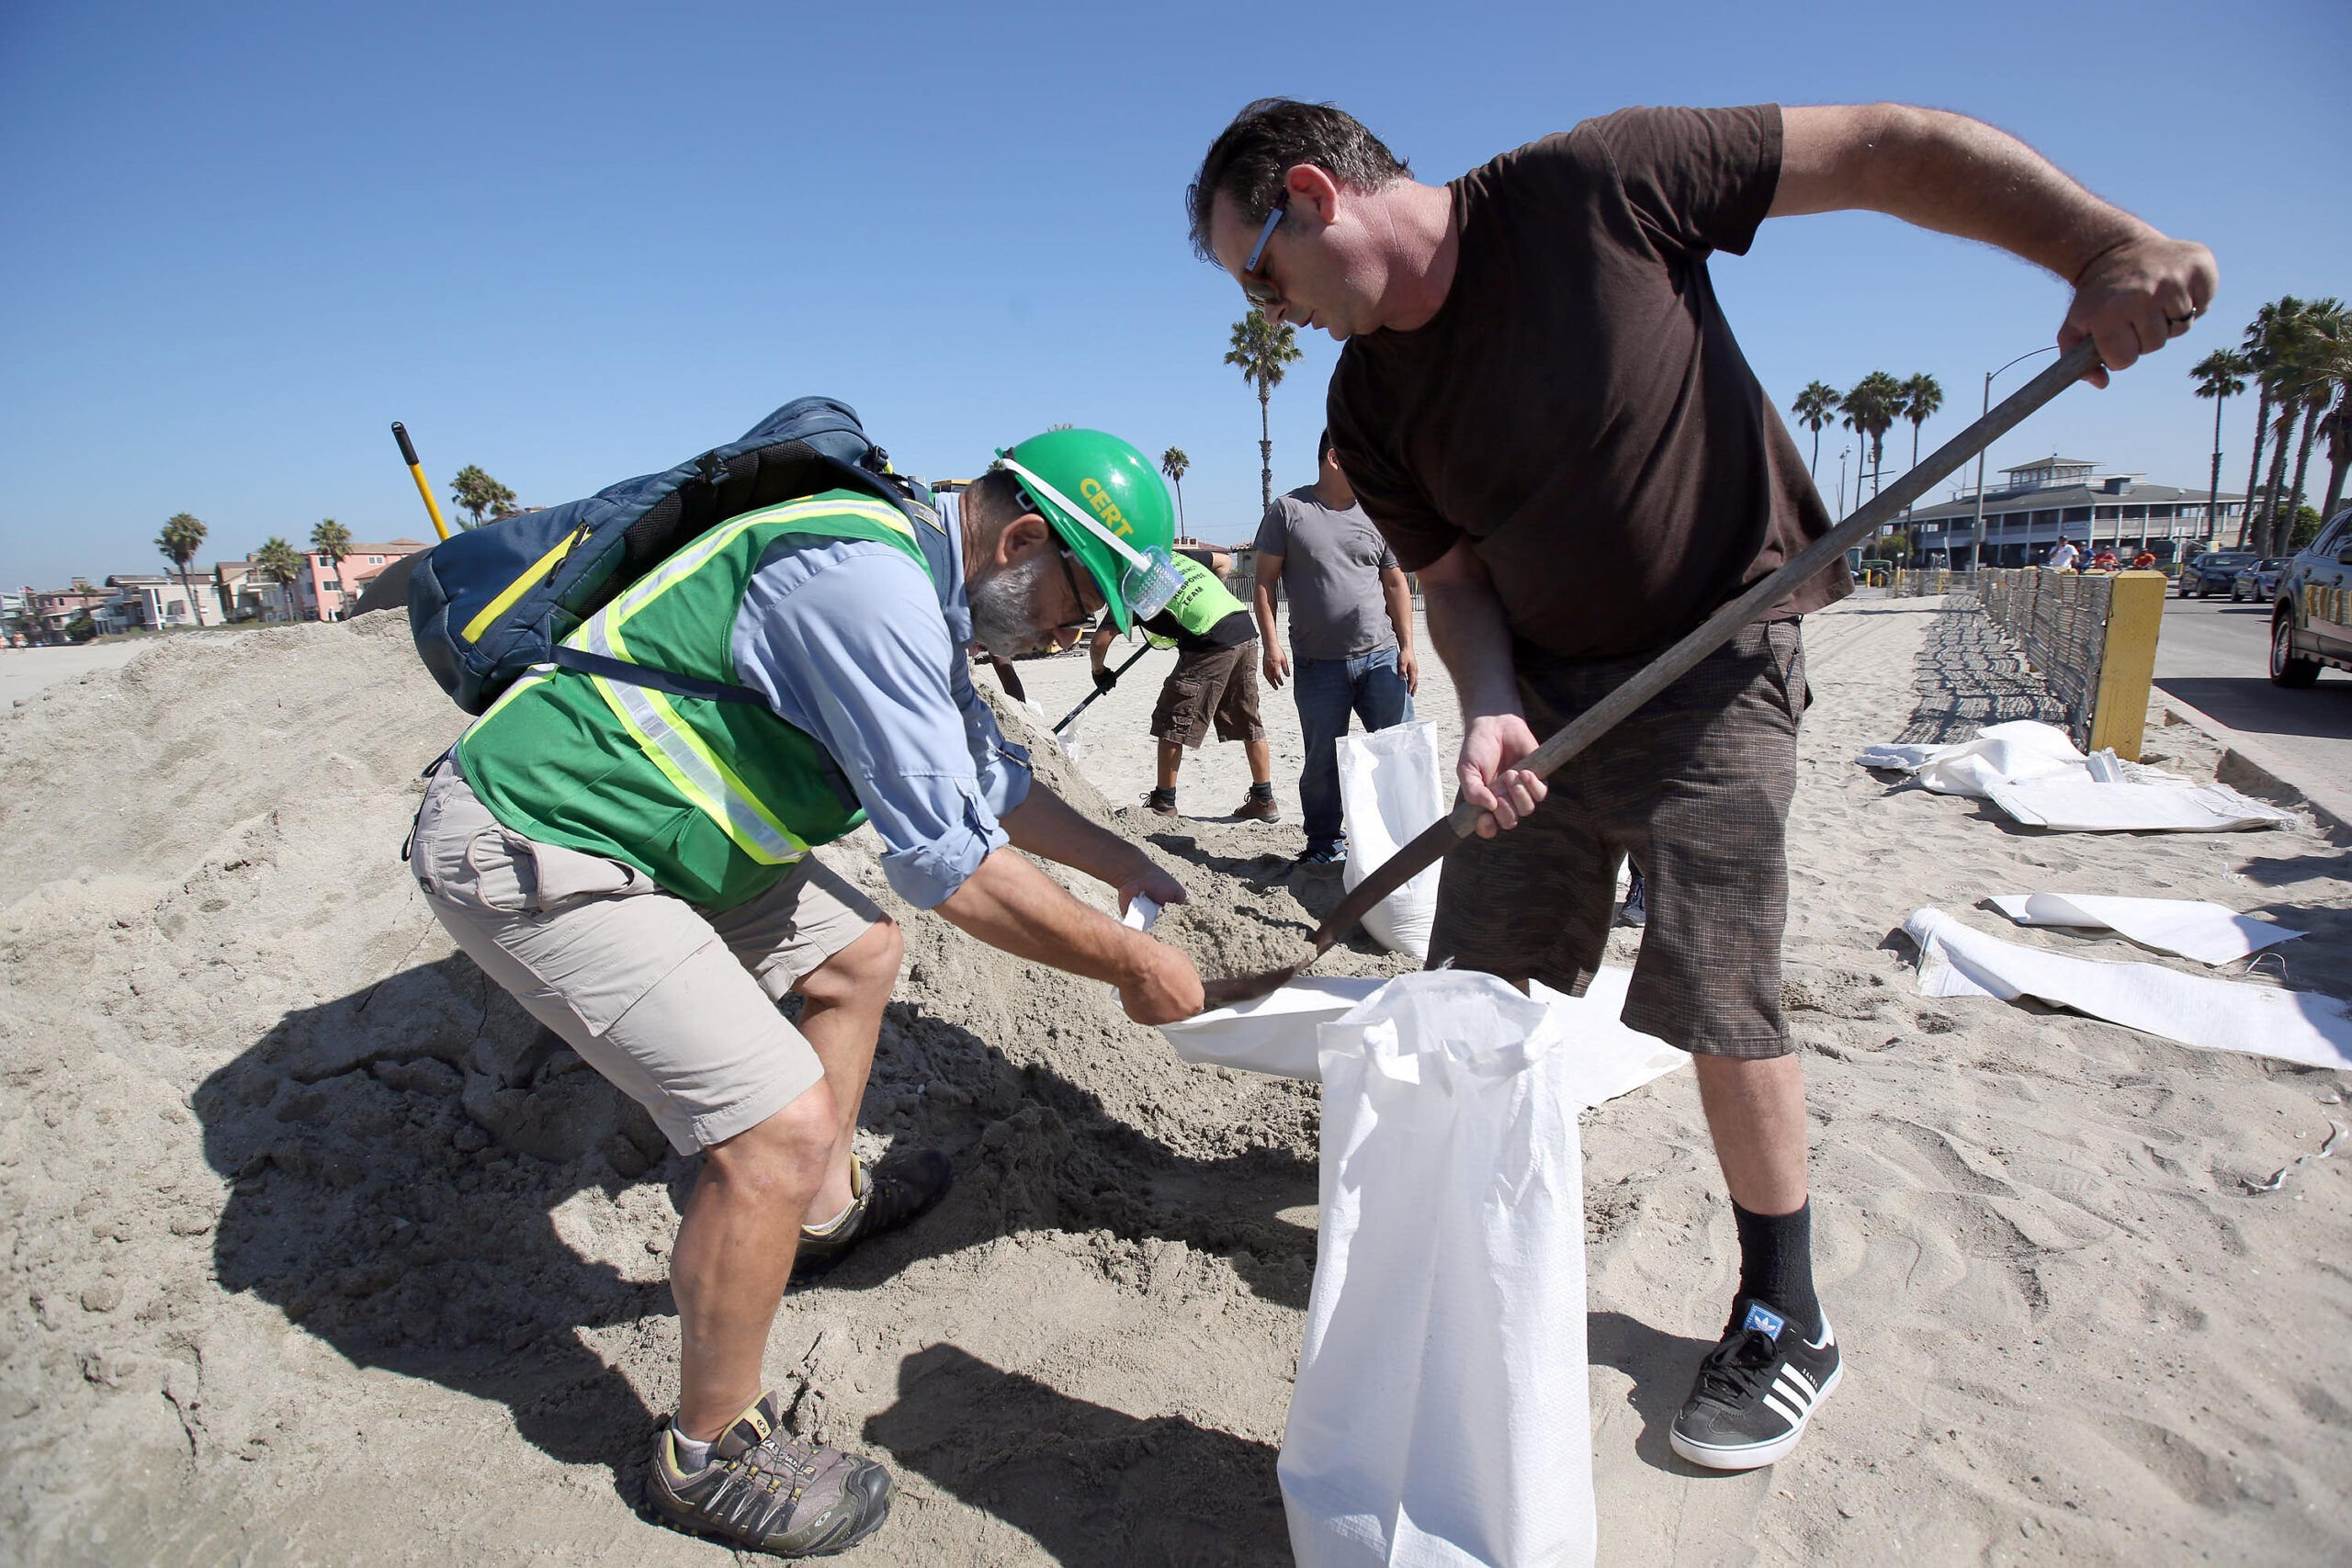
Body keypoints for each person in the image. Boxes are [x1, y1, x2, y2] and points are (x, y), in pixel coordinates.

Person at [1189, 97, 2212, 1472]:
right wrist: (1487, 705)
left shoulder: (1590, 190)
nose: (1274, 306)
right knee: (1478, 988)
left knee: (1717, 986)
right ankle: (1479, 1253)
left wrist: (2101, 245)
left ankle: (1786, 1309)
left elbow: (1888, 151)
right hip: (1545, 705)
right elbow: (1452, 580)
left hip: (1722, 651)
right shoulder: (1368, 403)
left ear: (1315, 195)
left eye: (1259, 273)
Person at [406, 427, 1204, 1556]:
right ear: (1023, 539)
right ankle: (708, 1448)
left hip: (667, 835)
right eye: (1081, 610)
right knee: (772, 1125)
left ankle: (820, 1219)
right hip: (543, 843)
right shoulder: (867, 586)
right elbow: (954, 869)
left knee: (856, 955)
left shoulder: (919, 594)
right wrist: (1133, 961)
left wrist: (1119, 866)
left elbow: (989, 780)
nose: (1077, 638)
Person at [1251, 429, 1419, 863]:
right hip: (1317, 665)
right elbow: (1264, 584)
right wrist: (1271, 646)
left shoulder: (1376, 514)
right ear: (1334, 458)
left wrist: (1407, 646)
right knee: (1322, 763)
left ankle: (1409, 841)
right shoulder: (1289, 511)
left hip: (1381, 657)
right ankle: (1325, 844)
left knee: (1400, 750)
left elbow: (1395, 581)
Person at [1091, 547, 1280, 821]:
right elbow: (1224, 562)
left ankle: (1164, 803)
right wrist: (1206, 599)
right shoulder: (1169, 554)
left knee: (1173, 719)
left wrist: (1099, 671)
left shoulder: (1126, 583)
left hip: (1208, 639)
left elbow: (1099, 643)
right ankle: (1264, 800)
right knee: (1246, 715)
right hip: (1241, 625)